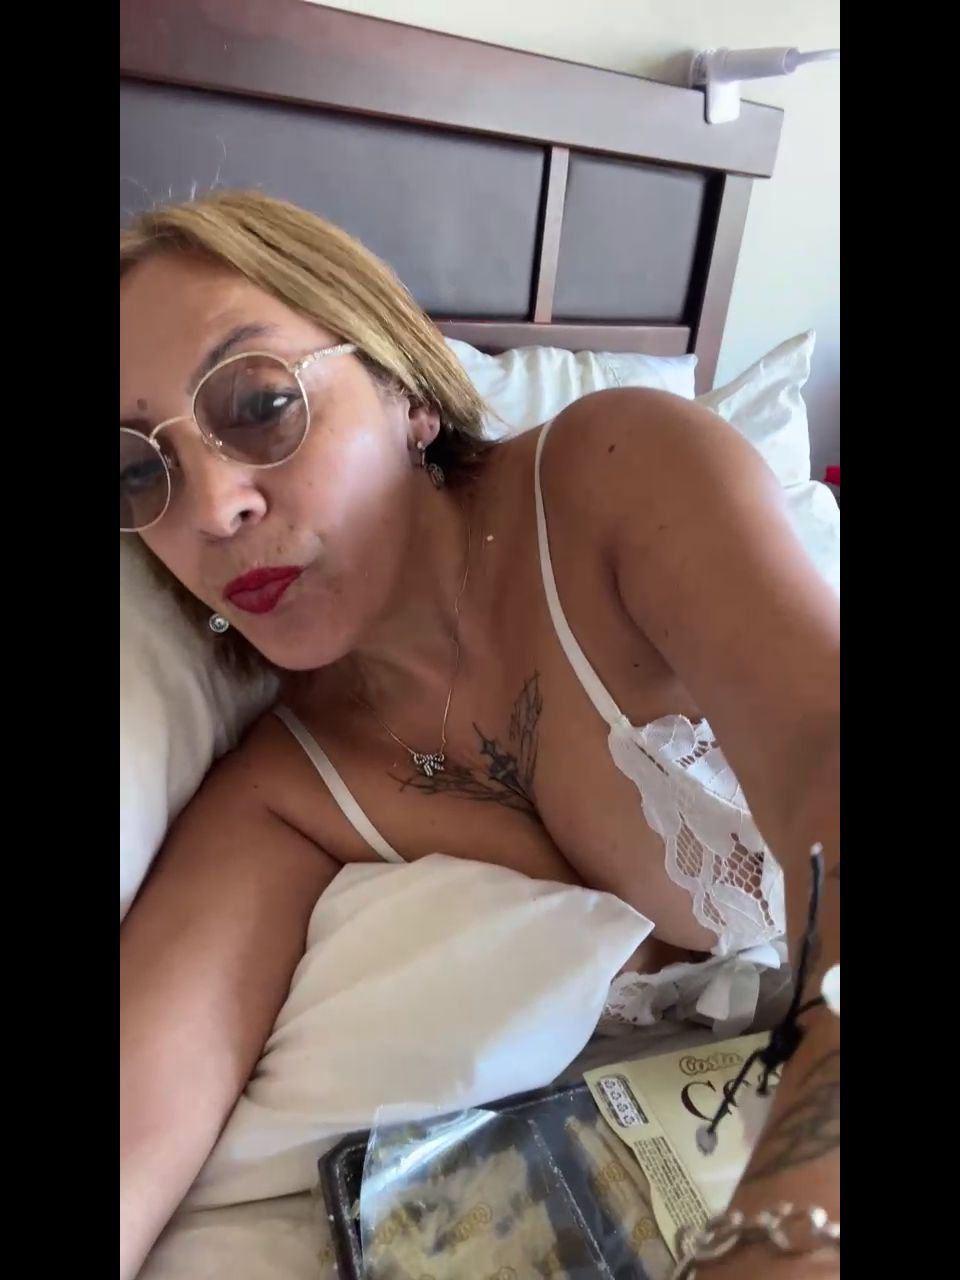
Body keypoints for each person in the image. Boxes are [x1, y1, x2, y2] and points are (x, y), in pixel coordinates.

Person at [120, 191, 839, 1279]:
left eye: (261, 402)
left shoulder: (618, 473)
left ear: (406, 390)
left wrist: (790, 1234)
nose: (213, 507)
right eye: (140, 471)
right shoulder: (287, 790)